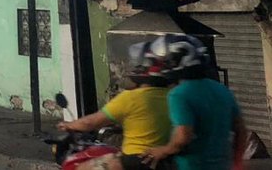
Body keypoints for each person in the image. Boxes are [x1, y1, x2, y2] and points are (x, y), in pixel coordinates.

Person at [58, 41, 173, 169]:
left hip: (135, 160)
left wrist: (69, 125)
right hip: (164, 161)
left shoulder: (131, 98)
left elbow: (90, 122)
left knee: (81, 167)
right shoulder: (172, 96)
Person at [143, 34, 248, 170]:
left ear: (173, 62)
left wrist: (162, 150)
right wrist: (237, 162)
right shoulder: (221, 89)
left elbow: (183, 137)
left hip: (193, 165)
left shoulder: (179, 95)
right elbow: (241, 130)